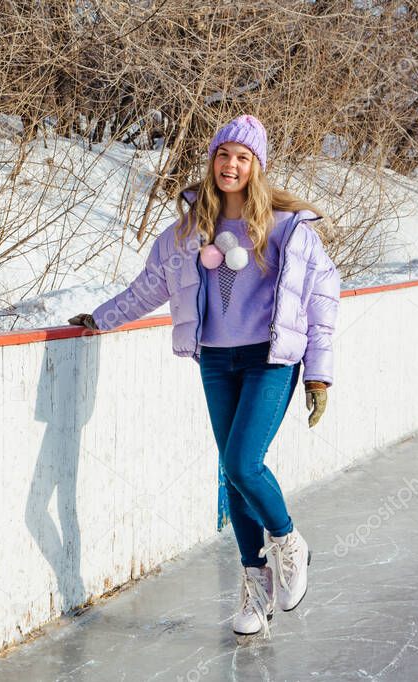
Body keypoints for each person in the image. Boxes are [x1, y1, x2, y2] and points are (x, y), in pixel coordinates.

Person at [68, 114, 340, 640]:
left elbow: (322, 299)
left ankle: (288, 540)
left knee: (244, 461)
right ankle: (255, 588)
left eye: (242, 157)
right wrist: (101, 318)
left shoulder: (288, 227)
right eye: (222, 154)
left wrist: (320, 376)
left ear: (257, 167)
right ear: (211, 161)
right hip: (216, 361)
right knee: (233, 475)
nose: (230, 165)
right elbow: (150, 287)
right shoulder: (188, 233)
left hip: (271, 360)